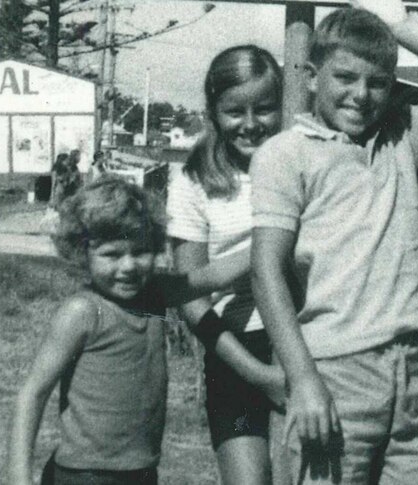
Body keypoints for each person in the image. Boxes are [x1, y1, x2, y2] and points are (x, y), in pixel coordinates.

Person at [249, 1, 418, 483]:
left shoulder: (404, 135)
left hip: (413, 369)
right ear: (309, 76)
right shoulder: (284, 155)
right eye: (344, 77)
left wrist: (398, 26)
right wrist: (302, 379)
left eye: (378, 82)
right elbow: (266, 271)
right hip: (333, 371)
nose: (361, 95)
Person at [8, 176, 251, 485]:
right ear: (82, 254)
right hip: (85, 474)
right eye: (111, 254)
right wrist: (18, 476)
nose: (128, 266)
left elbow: (212, 276)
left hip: (141, 472)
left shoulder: (155, 294)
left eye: (140, 251)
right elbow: (33, 392)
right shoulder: (82, 312)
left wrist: (275, 239)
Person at [166, 44, 286, 485]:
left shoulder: (302, 164)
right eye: (235, 110)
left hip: (303, 341)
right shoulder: (194, 180)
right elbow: (190, 297)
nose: (251, 124)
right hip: (235, 358)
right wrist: (258, 374)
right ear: (213, 111)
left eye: (266, 108)